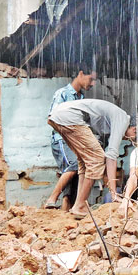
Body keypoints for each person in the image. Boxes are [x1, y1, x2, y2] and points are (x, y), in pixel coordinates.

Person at [48, 99, 137, 219]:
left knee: (85, 161)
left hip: (58, 115)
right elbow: (111, 156)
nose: (133, 140)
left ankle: (78, 204)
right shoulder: (122, 118)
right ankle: (80, 205)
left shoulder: (108, 122)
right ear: (134, 129)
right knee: (97, 159)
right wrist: (114, 193)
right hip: (70, 117)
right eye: (135, 136)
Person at [45, 67, 97, 210]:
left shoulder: (81, 99)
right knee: (74, 165)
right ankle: (52, 198)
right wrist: (69, 135)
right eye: (91, 79)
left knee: (77, 171)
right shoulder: (62, 94)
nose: (92, 84)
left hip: (75, 142)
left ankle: (66, 207)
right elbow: (51, 118)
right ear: (81, 73)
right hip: (61, 140)